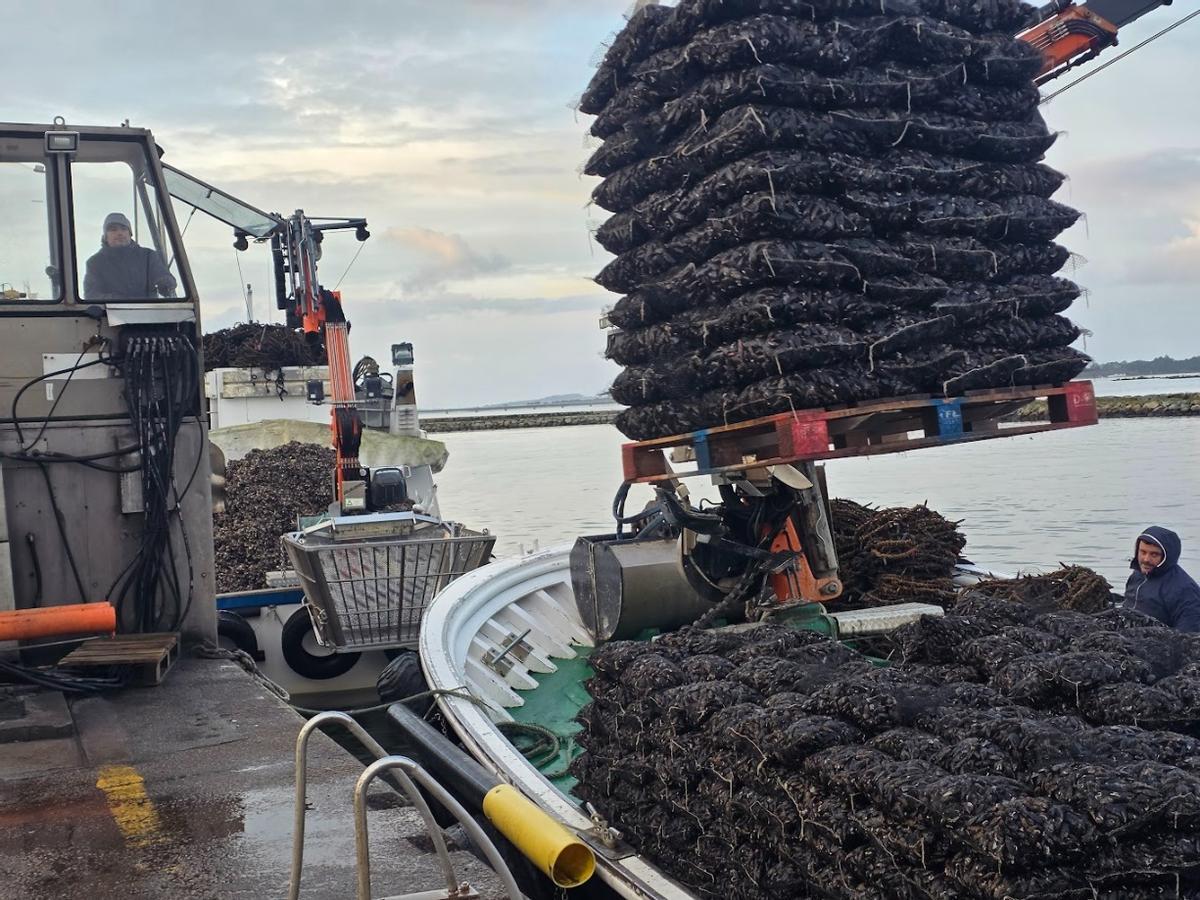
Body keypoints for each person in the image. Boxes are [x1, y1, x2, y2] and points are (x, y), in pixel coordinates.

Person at [83, 212, 177, 300]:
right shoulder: (95, 263)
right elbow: (91, 296)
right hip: (110, 315)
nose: (120, 233)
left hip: (150, 312)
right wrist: (118, 300)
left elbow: (164, 277)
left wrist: (165, 283)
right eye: (113, 229)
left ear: (130, 234)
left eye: (124, 229)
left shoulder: (148, 256)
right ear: (105, 237)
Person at [1123, 526, 1200, 632]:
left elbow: (1189, 634)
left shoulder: (1185, 590)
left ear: (1166, 557)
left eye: (1154, 554)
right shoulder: (1137, 576)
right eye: (1143, 552)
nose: (1146, 559)